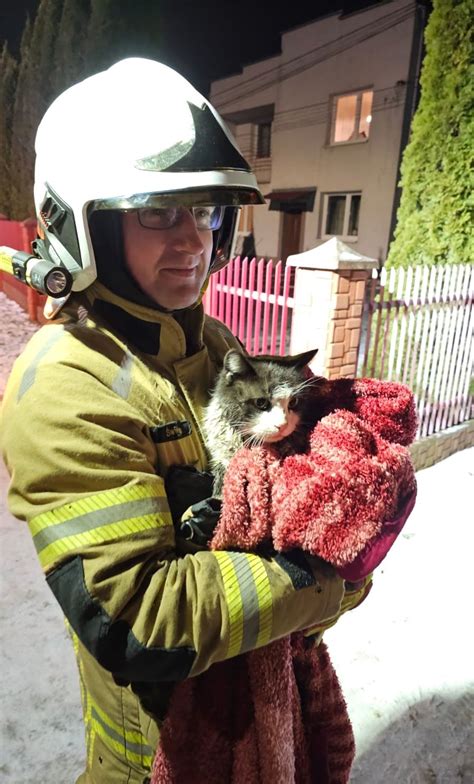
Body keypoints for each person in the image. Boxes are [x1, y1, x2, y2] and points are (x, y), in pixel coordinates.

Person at [1, 58, 367, 783]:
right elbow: (138, 620)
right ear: (83, 228)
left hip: (257, 732)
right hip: (154, 759)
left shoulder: (212, 344)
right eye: (157, 212)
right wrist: (327, 579)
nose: (195, 241)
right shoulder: (66, 382)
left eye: (205, 211)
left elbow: (270, 506)